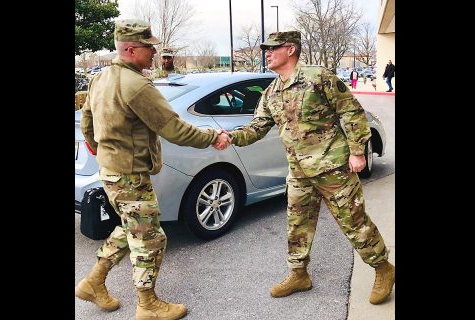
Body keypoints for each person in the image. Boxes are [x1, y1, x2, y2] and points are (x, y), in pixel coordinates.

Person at [217, 31, 394, 305]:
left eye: (272, 49)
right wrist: (230, 137)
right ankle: (299, 274)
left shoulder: (317, 77)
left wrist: (358, 151)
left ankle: (383, 269)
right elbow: (257, 127)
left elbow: (351, 111)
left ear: (290, 49)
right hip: (299, 172)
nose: (267, 53)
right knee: (297, 225)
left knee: (353, 222)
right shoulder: (272, 92)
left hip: (332, 167)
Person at [75, 19, 231, 320]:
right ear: (131, 50)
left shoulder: (101, 78)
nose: (154, 53)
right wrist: (214, 138)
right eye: (149, 47)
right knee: (151, 238)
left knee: (129, 227)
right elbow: (175, 130)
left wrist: (102, 150)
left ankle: (93, 282)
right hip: (129, 174)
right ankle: (148, 305)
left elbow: (88, 122)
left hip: (111, 169)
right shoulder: (137, 85)